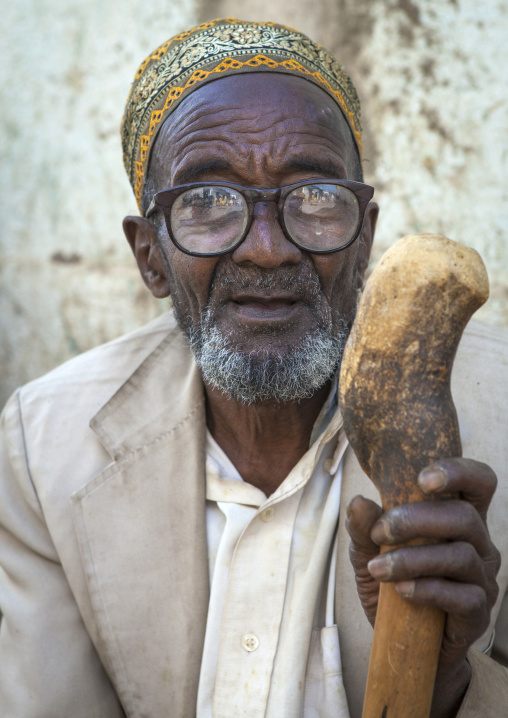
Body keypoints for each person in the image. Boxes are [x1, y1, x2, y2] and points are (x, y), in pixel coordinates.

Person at [0, 18, 507, 718]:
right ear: (149, 254)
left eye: (315, 198)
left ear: (363, 241)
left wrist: (451, 681)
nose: (267, 250)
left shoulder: (500, 417)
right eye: (206, 202)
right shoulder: (44, 445)